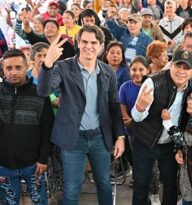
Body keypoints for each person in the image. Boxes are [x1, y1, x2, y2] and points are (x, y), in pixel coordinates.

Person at [37, 25, 126, 205]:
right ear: (78, 43)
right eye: (84, 41)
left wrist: (121, 136)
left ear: (101, 46)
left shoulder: (107, 72)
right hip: (73, 139)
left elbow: (114, 106)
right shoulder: (63, 67)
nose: (89, 46)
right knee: (72, 189)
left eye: (94, 42)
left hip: (101, 137)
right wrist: (47, 64)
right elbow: (44, 91)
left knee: (104, 184)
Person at [130, 49, 192, 205]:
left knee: (170, 185)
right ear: (171, 65)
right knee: (141, 185)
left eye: (186, 68)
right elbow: (136, 117)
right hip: (145, 142)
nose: (181, 71)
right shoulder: (152, 82)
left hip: (170, 145)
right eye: (178, 66)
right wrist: (140, 107)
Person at [0, 49, 54, 205]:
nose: (13, 72)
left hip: (33, 165)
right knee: (10, 201)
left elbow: (47, 130)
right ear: (3, 69)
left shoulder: (40, 94)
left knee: (39, 200)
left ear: (27, 67)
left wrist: (43, 159)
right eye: (9, 68)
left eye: (18, 67)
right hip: (3, 165)